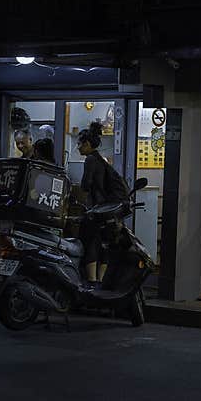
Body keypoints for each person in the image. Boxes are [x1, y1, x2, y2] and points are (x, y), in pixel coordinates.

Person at [77, 120, 127, 283]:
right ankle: (101, 280)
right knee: (104, 244)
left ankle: (92, 281)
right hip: (107, 210)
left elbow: (86, 185)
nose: (78, 147)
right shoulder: (101, 159)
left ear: (87, 143)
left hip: (97, 209)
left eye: (80, 144)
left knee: (92, 243)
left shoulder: (90, 159)